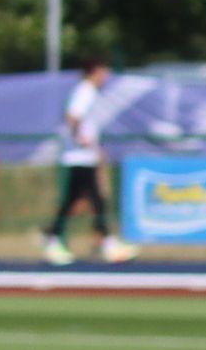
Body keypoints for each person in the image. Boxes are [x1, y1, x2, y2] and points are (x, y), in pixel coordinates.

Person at [41, 59, 135, 266]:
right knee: (93, 200)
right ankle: (102, 243)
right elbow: (72, 116)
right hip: (79, 157)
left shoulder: (87, 92)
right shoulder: (85, 91)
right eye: (103, 72)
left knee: (81, 201)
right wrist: (80, 138)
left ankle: (56, 238)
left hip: (84, 156)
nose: (106, 77)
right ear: (95, 72)